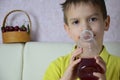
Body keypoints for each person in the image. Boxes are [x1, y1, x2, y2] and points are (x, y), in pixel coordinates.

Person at [43, 0, 120, 80]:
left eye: (93, 19)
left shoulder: (118, 66)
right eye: (76, 22)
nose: (85, 28)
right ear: (68, 30)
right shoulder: (57, 67)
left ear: (106, 23)